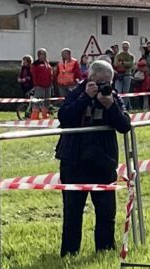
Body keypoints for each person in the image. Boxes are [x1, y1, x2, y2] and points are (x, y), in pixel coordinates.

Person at [55, 58, 134, 256]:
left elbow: (125, 126)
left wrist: (111, 106)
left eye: (108, 82)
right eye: (100, 82)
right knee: (72, 211)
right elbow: (64, 117)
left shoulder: (112, 96)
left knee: (106, 211)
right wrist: (85, 98)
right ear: (90, 78)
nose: (104, 86)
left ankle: (104, 250)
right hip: (74, 161)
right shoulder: (77, 92)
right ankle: (70, 252)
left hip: (103, 161)